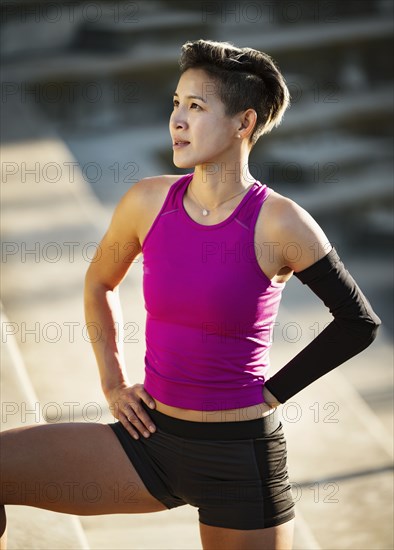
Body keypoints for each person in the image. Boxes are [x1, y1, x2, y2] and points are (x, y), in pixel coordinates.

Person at [0, 39, 381, 550]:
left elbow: (358, 321)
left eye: (196, 107)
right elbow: (98, 283)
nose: (177, 120)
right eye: (176, 104)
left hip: (238, 461)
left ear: (244, 123)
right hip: (148, 441)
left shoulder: (280, 221)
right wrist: (113, 383)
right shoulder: (147, 202)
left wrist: (271, 393)